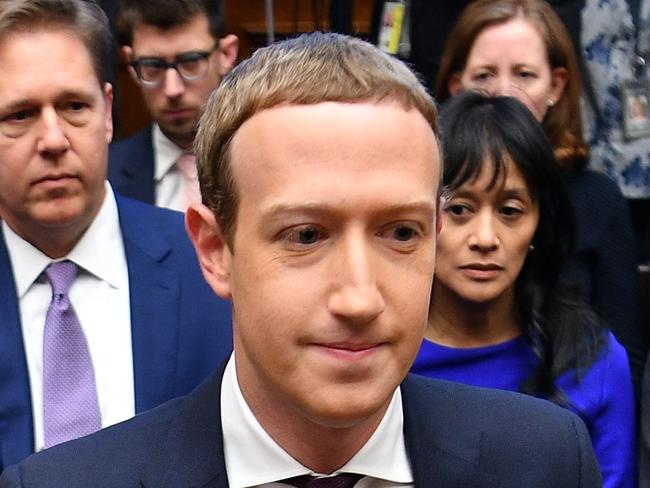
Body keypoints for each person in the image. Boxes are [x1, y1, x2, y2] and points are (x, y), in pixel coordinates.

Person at [0, 30, 603, 488]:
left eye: (400, 233)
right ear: (214, 251)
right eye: (306, 237)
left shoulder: (541, 460)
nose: (360, 297)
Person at [0, 0, 232, 470]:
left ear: (107, 111)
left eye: (73, 106)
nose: (53, 139)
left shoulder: (209, 265)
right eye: (20, 114)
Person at [411, 91, 636, 488]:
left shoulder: (592, 360)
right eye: (459, 208)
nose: (485, 238)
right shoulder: (382, 354)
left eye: (510, 211)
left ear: (538, 223)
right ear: (421, 216)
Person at [433, 0, 644, 398]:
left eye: (525, 74)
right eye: (484, 75)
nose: (503, 92)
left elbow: (625, 355)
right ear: (456, 87)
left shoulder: (597, 198)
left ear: (556, 86)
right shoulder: (425, 183)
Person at [108, 0, 238, 211]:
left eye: (191, 62)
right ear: (131, 64)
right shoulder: (105, 178)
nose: (172, 89)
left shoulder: (270, 161)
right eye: (153, 66)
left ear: (225, 54)